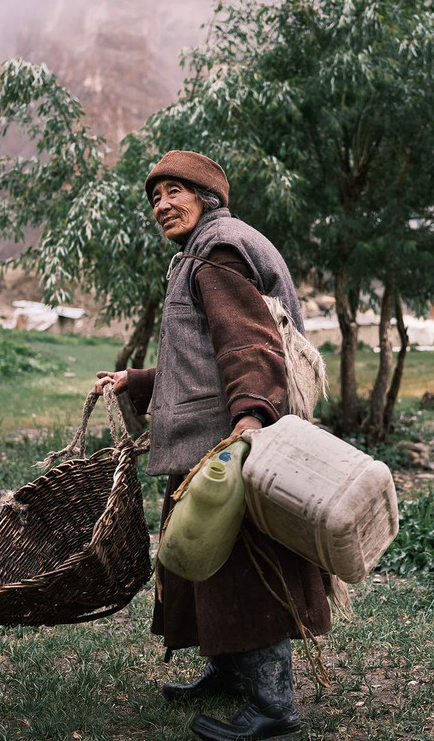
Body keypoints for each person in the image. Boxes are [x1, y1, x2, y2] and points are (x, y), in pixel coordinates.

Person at [92, 150, 330, 741]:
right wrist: (136, 381)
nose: (162, 205)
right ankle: (228, 675)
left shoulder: (217, 252)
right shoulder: (207, 250)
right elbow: (199, 356)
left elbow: (248, 343)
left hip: (228, 441)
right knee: (207, 565)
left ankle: (274, 709)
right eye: (155, 197)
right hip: (215, 437)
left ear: (207, 197)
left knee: (242, 568)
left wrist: (250, 419)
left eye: (175, 192)